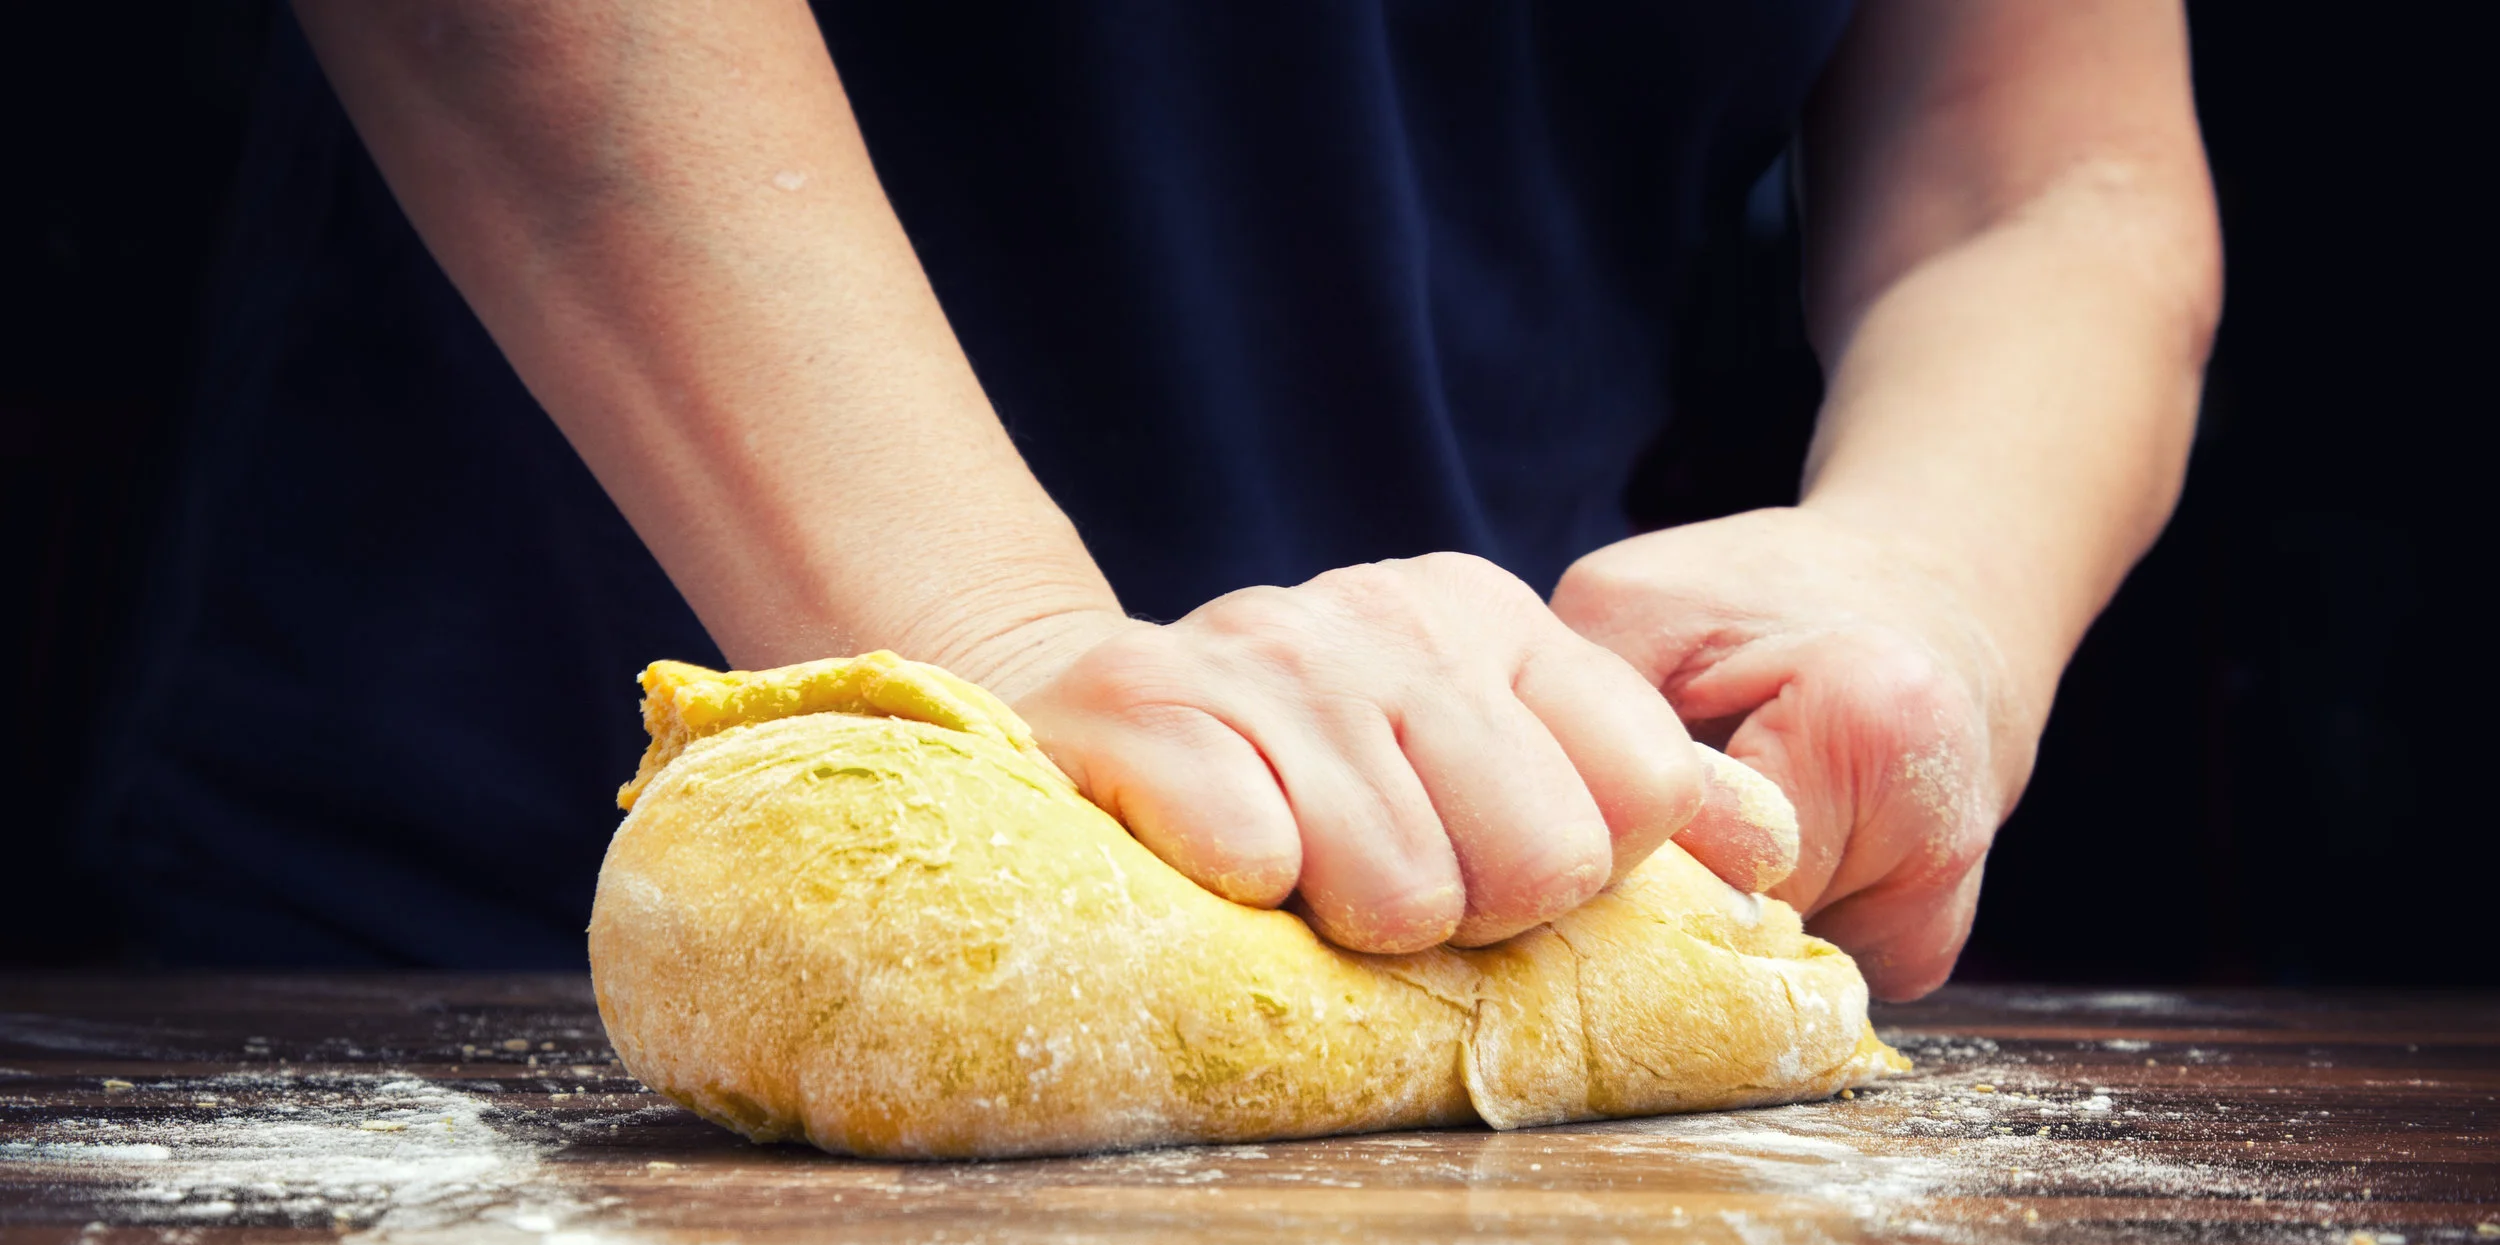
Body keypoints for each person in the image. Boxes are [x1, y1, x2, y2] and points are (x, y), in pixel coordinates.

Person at [88, 1, 2219, 997]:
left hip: (1498, 891)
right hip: (501, 917)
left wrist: (1920, 571)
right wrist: (1003, 641)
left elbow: (2037, 166)